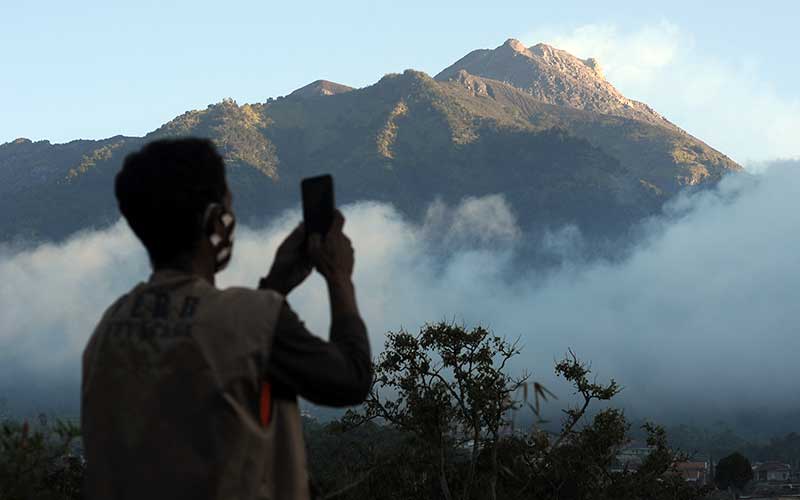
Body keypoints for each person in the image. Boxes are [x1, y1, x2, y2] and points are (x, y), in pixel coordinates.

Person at [80, 138, 371, 500]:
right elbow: (352, 379)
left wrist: (275, 284)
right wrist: (339, 276)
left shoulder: (108, 328)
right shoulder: (252, 320)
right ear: (216, 219)